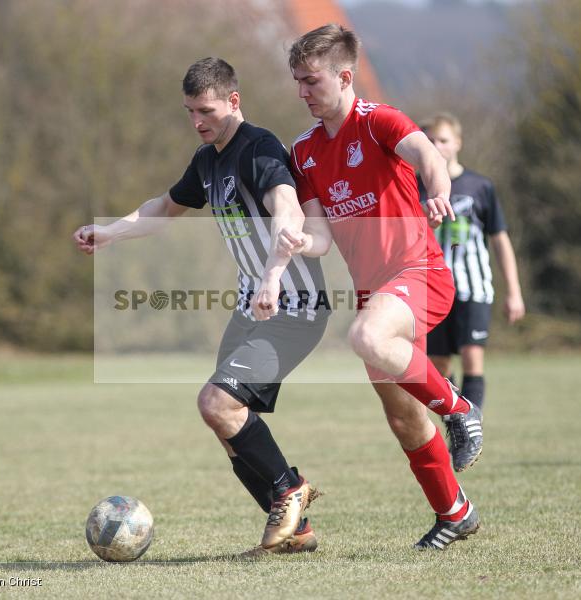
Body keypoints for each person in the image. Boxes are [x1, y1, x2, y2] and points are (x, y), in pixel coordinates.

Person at [73, 58, 329, 556]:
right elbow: (163, 209)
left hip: (292, 307)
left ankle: (289, 488)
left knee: (216, 402)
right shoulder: (207, 159)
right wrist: (110, 232)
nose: (197, 121)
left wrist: (274, 277)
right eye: (190, 111)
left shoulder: (259, 147)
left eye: (206, 110)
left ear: (233, 101)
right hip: (250, 308)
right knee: (226, 424)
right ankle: (294, 532)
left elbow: (285, 205)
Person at [277, 24, 484, 550]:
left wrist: (437, 192)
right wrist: (298, 241)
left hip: (418, 272)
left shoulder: (378, 121)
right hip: (375, 293)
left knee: (366, 337)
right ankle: (455, 512)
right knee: (403, 419)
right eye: (297, 81)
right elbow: (322, 234)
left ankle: (460, 410)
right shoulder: (302, 153)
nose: (302, 91)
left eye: (312, 80)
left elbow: (430, 157)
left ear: (345, 77)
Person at [418, 113, 525, 410]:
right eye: (428, 140)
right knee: (438, 366)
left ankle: (472, 423)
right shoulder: (414, 186)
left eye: (442, 140)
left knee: (472, 356)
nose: (436, 146)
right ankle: (457, 422)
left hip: (473, 288)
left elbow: (500, 240)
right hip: (430, 290)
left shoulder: (480, 186)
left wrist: (514, 292)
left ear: (458, 144)